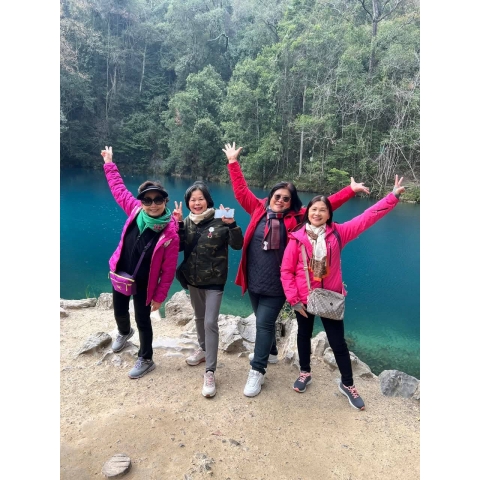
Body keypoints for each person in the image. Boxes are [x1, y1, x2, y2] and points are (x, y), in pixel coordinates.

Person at [222, 142, 370, 397]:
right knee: (262, 320)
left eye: (286, 198)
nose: (280, 200)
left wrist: (350, 190)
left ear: (292, 202)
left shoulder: (297, 218)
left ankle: (257, 371)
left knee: (264, 324)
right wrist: (233, 163)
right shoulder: (257, 209)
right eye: (277, 196)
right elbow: (241, 191)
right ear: (270, 197)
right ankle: (271, 352)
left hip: (280, 284)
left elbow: (324, 207)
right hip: (254, 279)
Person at [280, 175, 406, 410]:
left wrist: (392, 197)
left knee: (338, 342)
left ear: (329, 214)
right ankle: (305, 372)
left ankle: (347, 384)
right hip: (304, 299)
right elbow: (286, 271)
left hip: (330, 299)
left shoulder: (338, 233)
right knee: (303, 336)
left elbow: (367, 217)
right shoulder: (296, 239)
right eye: (313, 209)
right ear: (307, 212)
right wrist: (294, 300)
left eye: (322, 210)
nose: (317, 213)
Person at [101, 146, 180, 379]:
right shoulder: (135, 211)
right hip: (122, 272)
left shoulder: (170, 234)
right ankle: (124, 332)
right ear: (141, 201)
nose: (153, 204)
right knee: (119, 310)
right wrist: (109, 163)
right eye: (147, 199)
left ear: (165, 200)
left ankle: (146, 358)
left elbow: (168, 271)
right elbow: (118, 189)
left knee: (143, 320)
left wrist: (160, 296)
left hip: (145, 283)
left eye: (158, 199)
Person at [175, 181, 244, 398]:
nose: (197, 203)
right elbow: (178, 247)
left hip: (214, 281)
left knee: (210, 322)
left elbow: (238, 245)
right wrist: (177, 225)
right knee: (198, 317)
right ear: (188, 203)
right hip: (193, 279)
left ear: (208, 200)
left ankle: (210, 371)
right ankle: (203, 349)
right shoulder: (187, 222)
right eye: (192, 200)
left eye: (200, 199)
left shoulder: (221, 219)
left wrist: (232, 225)